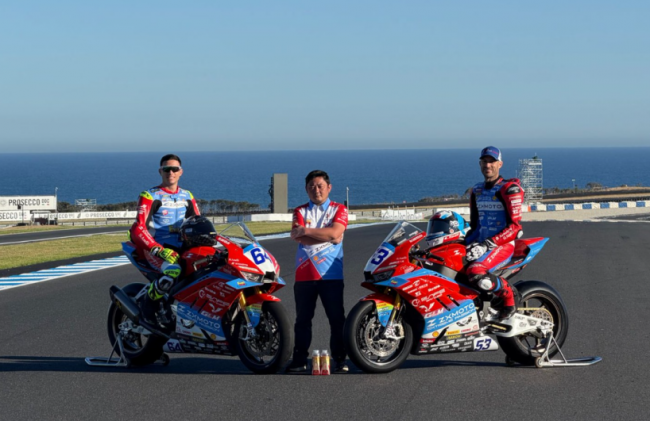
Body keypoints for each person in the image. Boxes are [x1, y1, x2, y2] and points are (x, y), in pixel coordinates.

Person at [286, 170, 349, 373]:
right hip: (304, 274)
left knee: (337, 319)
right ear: (306, 189)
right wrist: (328, 236)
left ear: (329, 187)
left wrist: (307, 231)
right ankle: (299, 360)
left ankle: (340, 360)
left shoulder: (339, 208)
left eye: (320, 186)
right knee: (302, 321)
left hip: (332, 274)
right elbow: (299, 237)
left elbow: (335, 232)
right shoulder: (300, 210)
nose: (316, 190)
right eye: (311, 186)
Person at [129, 153, 200, 324]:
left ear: (181, 171)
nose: (171, 173)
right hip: (156, 248)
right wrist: (157, 250)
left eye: (174, 169)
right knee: (172, 271)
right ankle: (147, 309)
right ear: (160, 171)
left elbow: (199, 223)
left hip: (182, 247)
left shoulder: (187, 195)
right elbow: (138, 228)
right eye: (166, 169)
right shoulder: (150, 195)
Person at [464, 146, 524, 319]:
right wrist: (461, 243)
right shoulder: (476, 190)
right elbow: (474, 226)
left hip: (502, 246)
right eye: (484, 161)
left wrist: (486, 245)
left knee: (475, 271)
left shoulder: (509, 189)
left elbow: (515, 228)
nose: (488, 165)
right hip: (480, 245)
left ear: (500, 164)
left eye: (492, 161)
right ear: (480, 164)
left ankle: (510, 296)